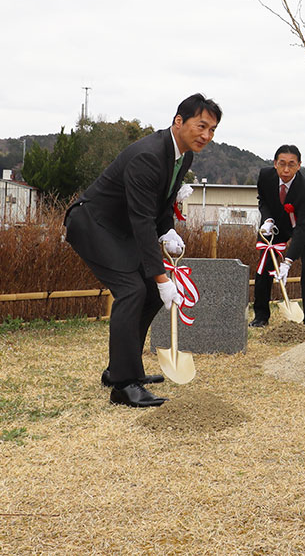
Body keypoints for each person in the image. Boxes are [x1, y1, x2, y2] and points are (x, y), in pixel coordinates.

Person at [64, 93, 221, 408]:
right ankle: (124, 385)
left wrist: (168, 230)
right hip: (93, 224)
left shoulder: (183, 157)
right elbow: (141, 220)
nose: (206, 135)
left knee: (148, 293)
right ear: (179, 121)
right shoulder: (147, 156)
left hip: (119, 229)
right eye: (201, 126)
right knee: (133, 290)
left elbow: (159, 205)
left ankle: (122, 369)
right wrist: (162, 278)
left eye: (212, 130)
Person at [250, 144, 305, 329]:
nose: (286, 170)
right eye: (282, 163)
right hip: (276, 226)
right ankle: (260, 316)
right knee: (264, 264)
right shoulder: (265, 176)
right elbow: (263, 201)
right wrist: (267, 220)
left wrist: (288, 262)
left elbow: (303, 228)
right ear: (275, 163)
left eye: (291, 164)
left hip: (304, 227)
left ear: (299, 165)